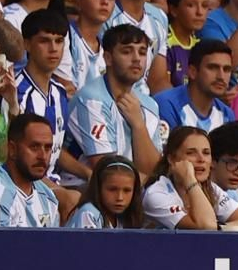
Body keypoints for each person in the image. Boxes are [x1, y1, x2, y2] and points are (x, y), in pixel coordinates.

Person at [68, 24, 168, 180]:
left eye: (142, 52)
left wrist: (138, 126)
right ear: (108, 58)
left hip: (135, 191)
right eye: (127, 51)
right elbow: (109, 171)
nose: (136, 58)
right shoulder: (91, 99)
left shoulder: (150, 105)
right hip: (87, 190)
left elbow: (153, 170)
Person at [143, 126, 238, 230]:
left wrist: (221, 228)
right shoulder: (156, 193)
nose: (201, 159)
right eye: (191, 153)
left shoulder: (211, 189)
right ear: (172, 159)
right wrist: (189, 180)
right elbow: (206, 226)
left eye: (206, 153)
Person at [0, 113, 62, 227]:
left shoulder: (49, 199)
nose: (43, 156)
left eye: (48, 148)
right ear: (12, 149)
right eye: (34, 147)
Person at [155, 41, 236, 132]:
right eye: (212, 68)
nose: (221, 76)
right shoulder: (166, 105)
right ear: (192, 71)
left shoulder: (227, 115)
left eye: (227, 69)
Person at [65, 155, 145, 229]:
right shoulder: (88, 213)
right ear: (98, 187)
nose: (120, 197)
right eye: (112, 189)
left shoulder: (126, 216)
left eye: (127, 190)